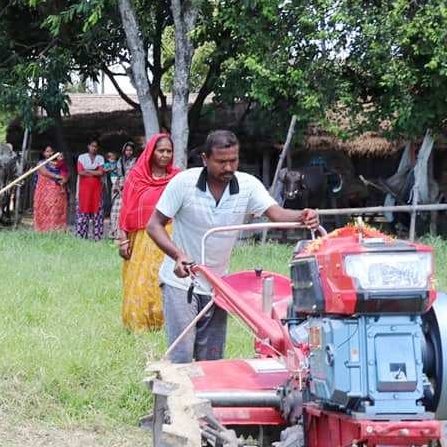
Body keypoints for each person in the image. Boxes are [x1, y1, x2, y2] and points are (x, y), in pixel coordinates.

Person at [147, 130, 319, 363]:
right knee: (181, 356)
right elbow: (154, 226)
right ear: (205, 159)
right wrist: (178, 255)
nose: (229, 167)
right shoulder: (183, 183)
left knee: (212, 358)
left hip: (219, 285)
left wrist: (302, 215)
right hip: (180, 281)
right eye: (221, 162)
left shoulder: (247, 186)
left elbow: (276, 213)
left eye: (233, 160)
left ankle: (207, 399)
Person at [117, 134, 180, 329]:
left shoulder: (177, 178)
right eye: (161, 151)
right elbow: (126, 208)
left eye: (169, 151)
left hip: (169, 237)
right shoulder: (136, 178)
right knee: (141, 279)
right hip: (142, 238)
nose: (165, 155)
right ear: (151, 152)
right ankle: (140, 321)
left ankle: (166, 321)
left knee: (166, 277)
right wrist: (123, 240)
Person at [32, 145, 68, 232]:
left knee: (56, 210)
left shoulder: (59, 164)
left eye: (51, 151)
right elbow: (45, 173)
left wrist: (65, 179)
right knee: (45, 210)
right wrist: (58, 176)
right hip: (44, 192)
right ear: (44, 153)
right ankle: (43, 230)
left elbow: (66, 173)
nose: (49, 153)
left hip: (58, 192)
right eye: (47, 151)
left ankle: (56, 230)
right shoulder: (41, 163)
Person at [76, 140, 105, 240]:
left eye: (96, 146)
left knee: (97, 212)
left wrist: (87, 170)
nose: (94, 148)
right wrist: (94, 172)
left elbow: (101, 173)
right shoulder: (82, 157)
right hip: (84, 190)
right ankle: (81, 236)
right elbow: (80, 172)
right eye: (92, 146)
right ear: (88, 146)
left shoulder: (100, 158)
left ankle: (97, 237)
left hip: (97, 190)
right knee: (83, 211)